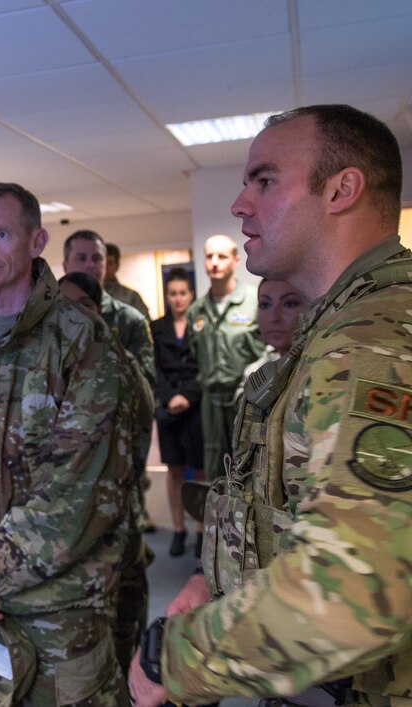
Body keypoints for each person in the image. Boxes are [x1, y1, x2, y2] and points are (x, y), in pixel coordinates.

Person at [129, 104, 412, 707]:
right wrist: (215, 576)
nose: (239, 204)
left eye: (264, 180)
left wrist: (173, 658)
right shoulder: (334, 328)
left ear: (342, 189)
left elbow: (354, 593)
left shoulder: (371, 339)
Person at [0, 182, 139, 704]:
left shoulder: (82, 341)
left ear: (35, 241)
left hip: (54, 612)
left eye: (0, 233)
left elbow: (84, 486)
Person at [58, 271, 156, 678]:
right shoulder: (52, 366)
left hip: (114, 522)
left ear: (99, 311)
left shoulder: (119, 366)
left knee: (120, 633)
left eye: (81, 305)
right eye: (62, 307)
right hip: (71, 533)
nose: (71, 316)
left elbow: (132, 445)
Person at [63, 229, 156, 533]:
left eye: (97, 258)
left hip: (118, 452)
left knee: (124, 543)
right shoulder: (48, 321)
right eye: (81, 257)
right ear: (65, 264)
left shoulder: (129, 320)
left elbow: (144, 388)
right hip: (66, 459)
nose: (90, 264)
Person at [188, 233, 265, 478]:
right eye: (209, 256)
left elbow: (271, 349)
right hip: (211, 400)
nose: (214, 262)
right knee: (215, 466)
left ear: (236, 260)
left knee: (250, 463)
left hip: (249, 398)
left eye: (221, 256)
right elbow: (195, 354)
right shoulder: (197, 310)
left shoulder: (254, 301)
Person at [150, 268, 206, 557]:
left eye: (183, 293)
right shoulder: (156, 328)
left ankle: (200, 530)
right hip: (168, 408)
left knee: (200, 469)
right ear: (167, 296)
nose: (178, 298)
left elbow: (206, 365)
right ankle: (178, 529)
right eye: (173, 293)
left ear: (191, 294)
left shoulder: (202, 325)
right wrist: (171, 397)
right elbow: (154, 368)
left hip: (196, 407)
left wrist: (188, 396)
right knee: (174, 470)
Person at [236, 278, 307, 398]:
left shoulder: (314, 370)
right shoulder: (258, 368)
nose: (274, 317)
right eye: (265, 305)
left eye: (289, 304)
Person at [105, 243, 152, 319]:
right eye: (102, 262)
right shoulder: (87, 295)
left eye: (109, 263)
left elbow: (144, 324)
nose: (105, 267)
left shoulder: (131, 297)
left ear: (117, 266)